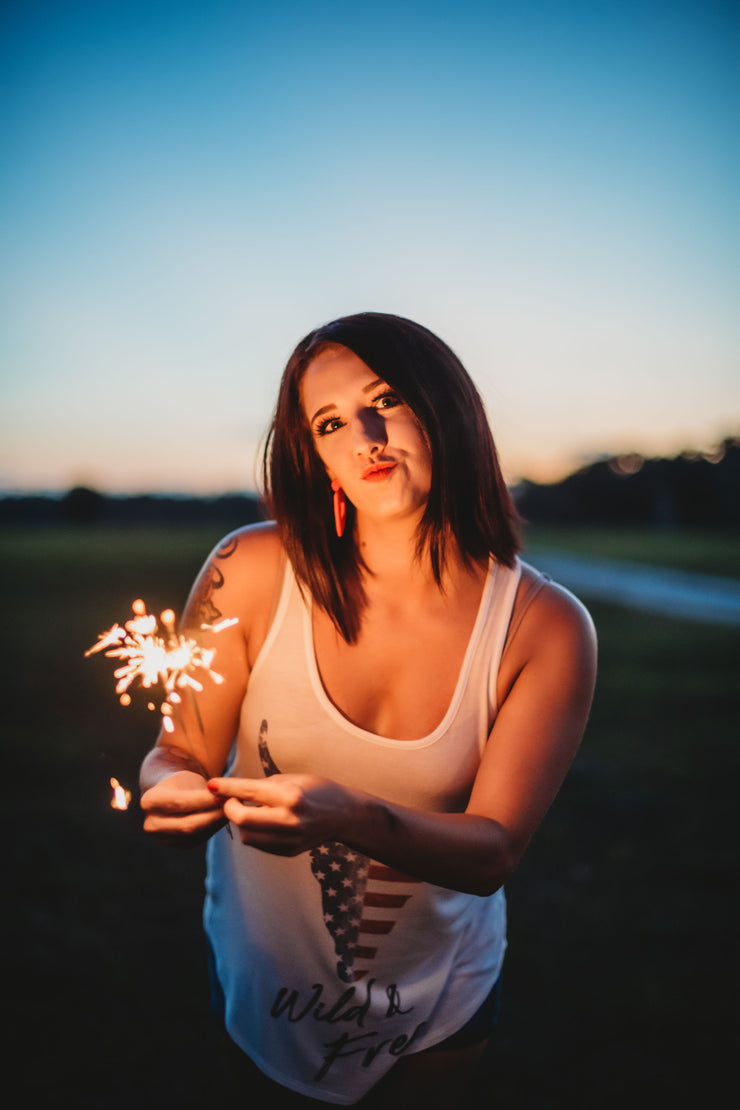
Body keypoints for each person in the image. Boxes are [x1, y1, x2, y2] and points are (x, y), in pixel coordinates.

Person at [139, 312, 597, 1107]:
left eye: (387, 399)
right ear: (316, 460)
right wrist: (171, 785)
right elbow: (177, 748)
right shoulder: (248, 570)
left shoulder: (545, 627)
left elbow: (492, 854)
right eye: (330, 422)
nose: (367, 434)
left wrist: (346, 813)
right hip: (263, 972)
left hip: (439, 993)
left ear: (445, 408)